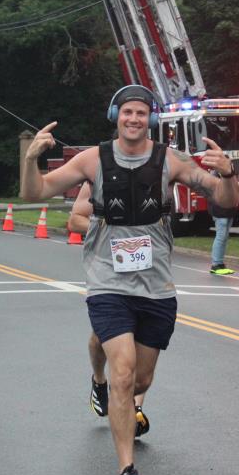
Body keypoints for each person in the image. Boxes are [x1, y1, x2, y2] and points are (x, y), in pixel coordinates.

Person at [21, 84, 239, 475]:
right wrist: (31, 160)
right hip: (108, 281)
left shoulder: (169, 160)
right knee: (122, 374)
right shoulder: (94, 159)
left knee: (141, 379)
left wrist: (228, 174)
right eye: (127, 112)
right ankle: (127, 470)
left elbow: (224, 201)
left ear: (151, 119)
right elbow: (35, 193)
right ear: (115, 116)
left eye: (141, 112)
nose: (134, 119)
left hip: (156, 286)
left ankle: (109, 390)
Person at [68, 183, 150, 435]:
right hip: (106, 270)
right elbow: (75, 220)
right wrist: (114, 230)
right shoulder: (97, 177)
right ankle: (99, 379)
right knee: (102, 336)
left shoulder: (154, 176)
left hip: (146, 268)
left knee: (142, 337)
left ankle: (134, 409)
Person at [208, 200, 236, 276]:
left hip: (229, 210)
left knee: (224, 238)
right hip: (219, 211)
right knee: (220, 237)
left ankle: (220, 263)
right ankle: (215, 264)